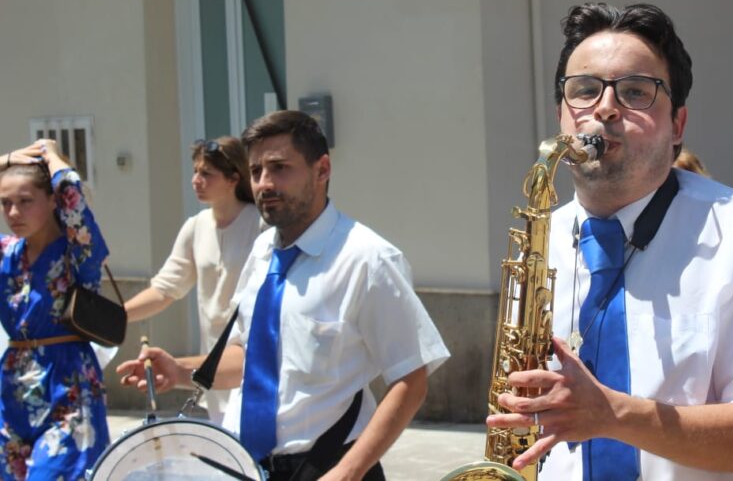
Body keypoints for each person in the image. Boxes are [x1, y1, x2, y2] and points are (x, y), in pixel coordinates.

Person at [487, 3, 733, 480]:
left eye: (634, 92)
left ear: (678, 126)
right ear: (561, 117)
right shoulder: (537, 243)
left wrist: (613, 415)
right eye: (584, 91)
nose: (604, 108)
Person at [117, 110, 449, 480]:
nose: (264, 183)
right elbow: (249, 358)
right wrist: (180, 370)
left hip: (329, 466)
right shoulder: (262, 252)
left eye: (279, 168)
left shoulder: (367, 260)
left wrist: (349, 471)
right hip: (246, 466)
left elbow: (410, 379)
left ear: (322, 170)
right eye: (256, 171)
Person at [123, 136, 264, 424]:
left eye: (206, 174)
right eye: (195, 172)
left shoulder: (261, 224)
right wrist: (114, 317)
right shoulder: (195, 227)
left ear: (233, 178)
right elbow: (165, 289)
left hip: (253, 361)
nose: (196, 180)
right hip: (212, 364)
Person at [0, 140, 111, 479]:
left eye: (25, 201)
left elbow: (74, 203)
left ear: (52, 200)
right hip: (13, 388)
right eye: (5, 203)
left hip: (68, 388)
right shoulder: (5, 252)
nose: (13, 213)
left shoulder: (77, 251)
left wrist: (52, 156)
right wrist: (5, 160)